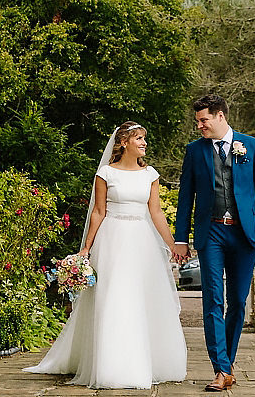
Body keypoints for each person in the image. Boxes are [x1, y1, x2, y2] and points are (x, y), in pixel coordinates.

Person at [25, 121, 187, 389]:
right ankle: (112, 365)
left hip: (142, 240)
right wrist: (86, 247)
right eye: (139, 139)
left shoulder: (151, 175)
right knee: (114, 297)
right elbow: (98, 212)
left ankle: (148, 360)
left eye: (144, 139)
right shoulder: (106, 174)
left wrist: (172, 244)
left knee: (142, 297)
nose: (144, 143)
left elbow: (156, 212)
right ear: (123, 143)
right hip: (113, 239)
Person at [172, 95, 255, 392]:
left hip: (244, 235)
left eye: (203, 120)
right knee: (213, 300)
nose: (199, 125)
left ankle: (226, 365)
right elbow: (185, 197)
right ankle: (221, 369)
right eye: (198, 121)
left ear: (220, 117)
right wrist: (181, 238)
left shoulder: (250, 146)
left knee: (237, 303)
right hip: (211, 232)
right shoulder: (194, 151)